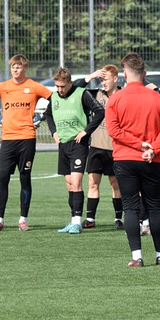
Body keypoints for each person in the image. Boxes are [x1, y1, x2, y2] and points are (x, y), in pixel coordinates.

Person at [105, 53, 160, 266]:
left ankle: (137, 257)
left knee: (131, 208)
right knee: (154, 207)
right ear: (144, 74)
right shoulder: (158, 98)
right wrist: (153, 147)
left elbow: (113, 130)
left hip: (125, 160)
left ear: (124, 75)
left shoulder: (115, 98)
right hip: (152, 161)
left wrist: (137, 144)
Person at [0, 54, 54, 232]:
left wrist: (42, 116)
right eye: (13, 66)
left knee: (25, 178)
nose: (15, 69)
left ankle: (23, 220)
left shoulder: (34, 86)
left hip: (27, 138)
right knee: (3, 178)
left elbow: (55, 100)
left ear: (25, 68)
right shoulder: (3, 87)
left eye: (19, 67)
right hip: (8, 139)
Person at [43, 67, 103, 234]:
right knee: (70, 185)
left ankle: (77, 222)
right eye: (57, 86)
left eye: (63, 86)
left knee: (77, 184)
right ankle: (72, 220)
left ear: (70, 83)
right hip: (64, 145)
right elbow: (48, 114)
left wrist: (86, 131)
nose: (60, 90)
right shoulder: (54, 96)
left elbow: (100, 111)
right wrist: (54, 131)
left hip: (79, 144)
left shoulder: (81, 93)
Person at [78, 66, 124, 230]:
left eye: (106, 79)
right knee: (92, 183)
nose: (103, 82)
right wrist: (91, 76)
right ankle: (90, 218)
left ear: (116, 79)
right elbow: (75, 89)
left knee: (115, 184)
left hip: (115, 148)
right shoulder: (96, 94)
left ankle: (118, 219)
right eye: (101, 80)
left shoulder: (123, 95)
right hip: (96, 148)